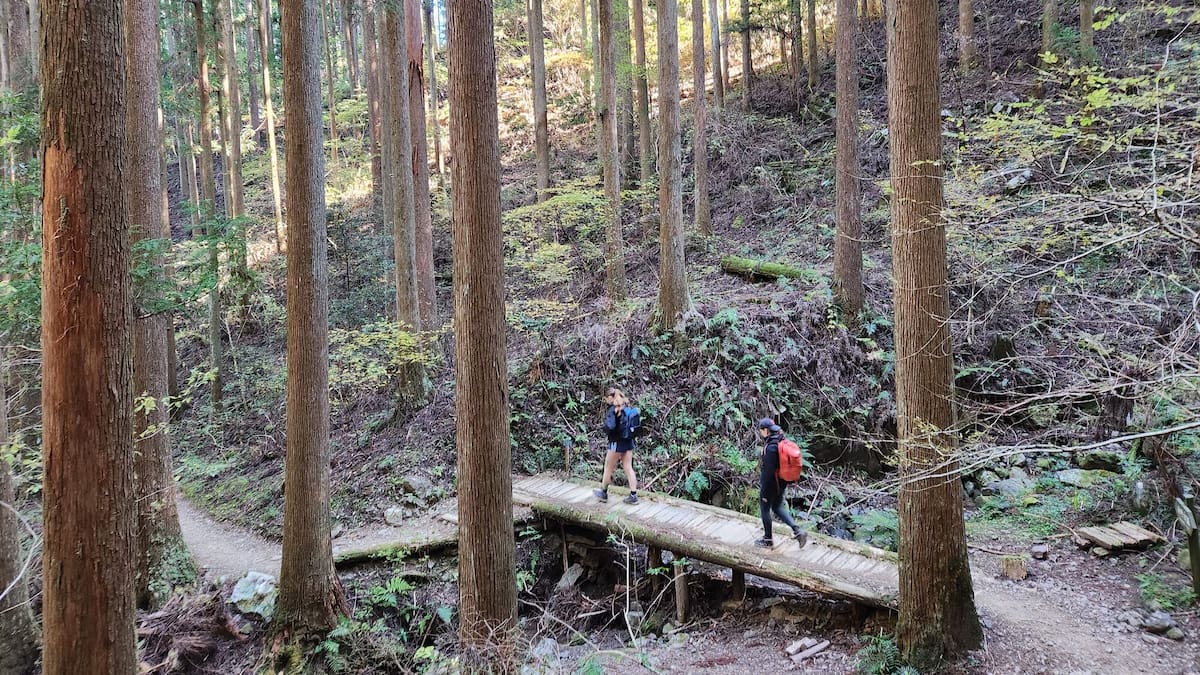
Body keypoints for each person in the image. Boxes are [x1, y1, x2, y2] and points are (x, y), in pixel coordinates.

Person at [755, 417, 807, 548]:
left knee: (764, 509)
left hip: (772, 483)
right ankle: (797, 531)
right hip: (782, 482)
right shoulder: (780, 439)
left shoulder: (771, 447)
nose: (760, 432)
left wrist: (763, 485)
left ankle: (767, 539)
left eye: (761, 430)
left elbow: (768, 471)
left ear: (766, 430)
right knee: (777, 507)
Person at [593, 387, 640, 505]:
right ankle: (633, 495)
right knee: (628, 467)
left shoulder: (613, 410)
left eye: (606, 398)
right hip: (628, 442)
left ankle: (603, 493)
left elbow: (611, 427)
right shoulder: (627, 406)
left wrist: (605, 427)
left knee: (608, 467)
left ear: (610, 398)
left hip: (616, 443)